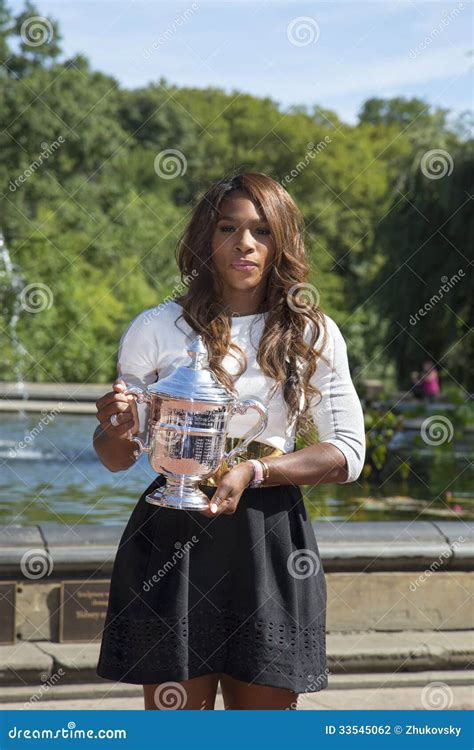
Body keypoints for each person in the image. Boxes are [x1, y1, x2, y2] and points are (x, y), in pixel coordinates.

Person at [93, 173, 366, 710]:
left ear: (281, 241)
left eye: (262, 230)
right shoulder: (156, 327)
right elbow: (117, 458)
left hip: (268, 540)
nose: (245, 243)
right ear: (206, 239)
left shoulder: (312, 332)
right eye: (228, 227)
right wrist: (118, 428)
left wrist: (259, 470)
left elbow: (347, 453)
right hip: (173, 535)